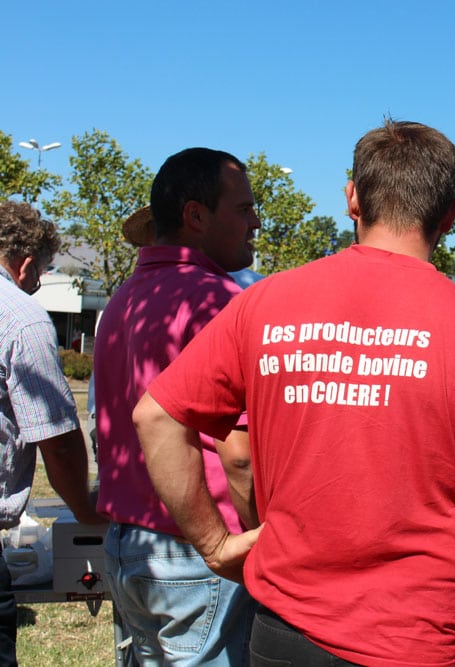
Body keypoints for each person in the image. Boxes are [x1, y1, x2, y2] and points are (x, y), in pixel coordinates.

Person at [133, 119, 455, 666]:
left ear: (352, 198)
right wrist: (453, 504)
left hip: (286, 631)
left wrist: (215, 545)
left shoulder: (263, 305)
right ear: (451, 215)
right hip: (418, 635)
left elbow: (156, 417)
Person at [93, 148, 261, 665]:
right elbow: (239, 453)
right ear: (196, 215)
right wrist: (260, 541)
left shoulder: (126, 297)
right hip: (201, 551)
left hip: (131, 547)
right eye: (244, 209)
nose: (255, 223)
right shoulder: (218, 301)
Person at [0, 201, 104, 666]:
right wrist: (85, 511)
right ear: (25, 264)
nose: (38, 283)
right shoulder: (21, 317)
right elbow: (57, 437)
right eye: (41, 272)